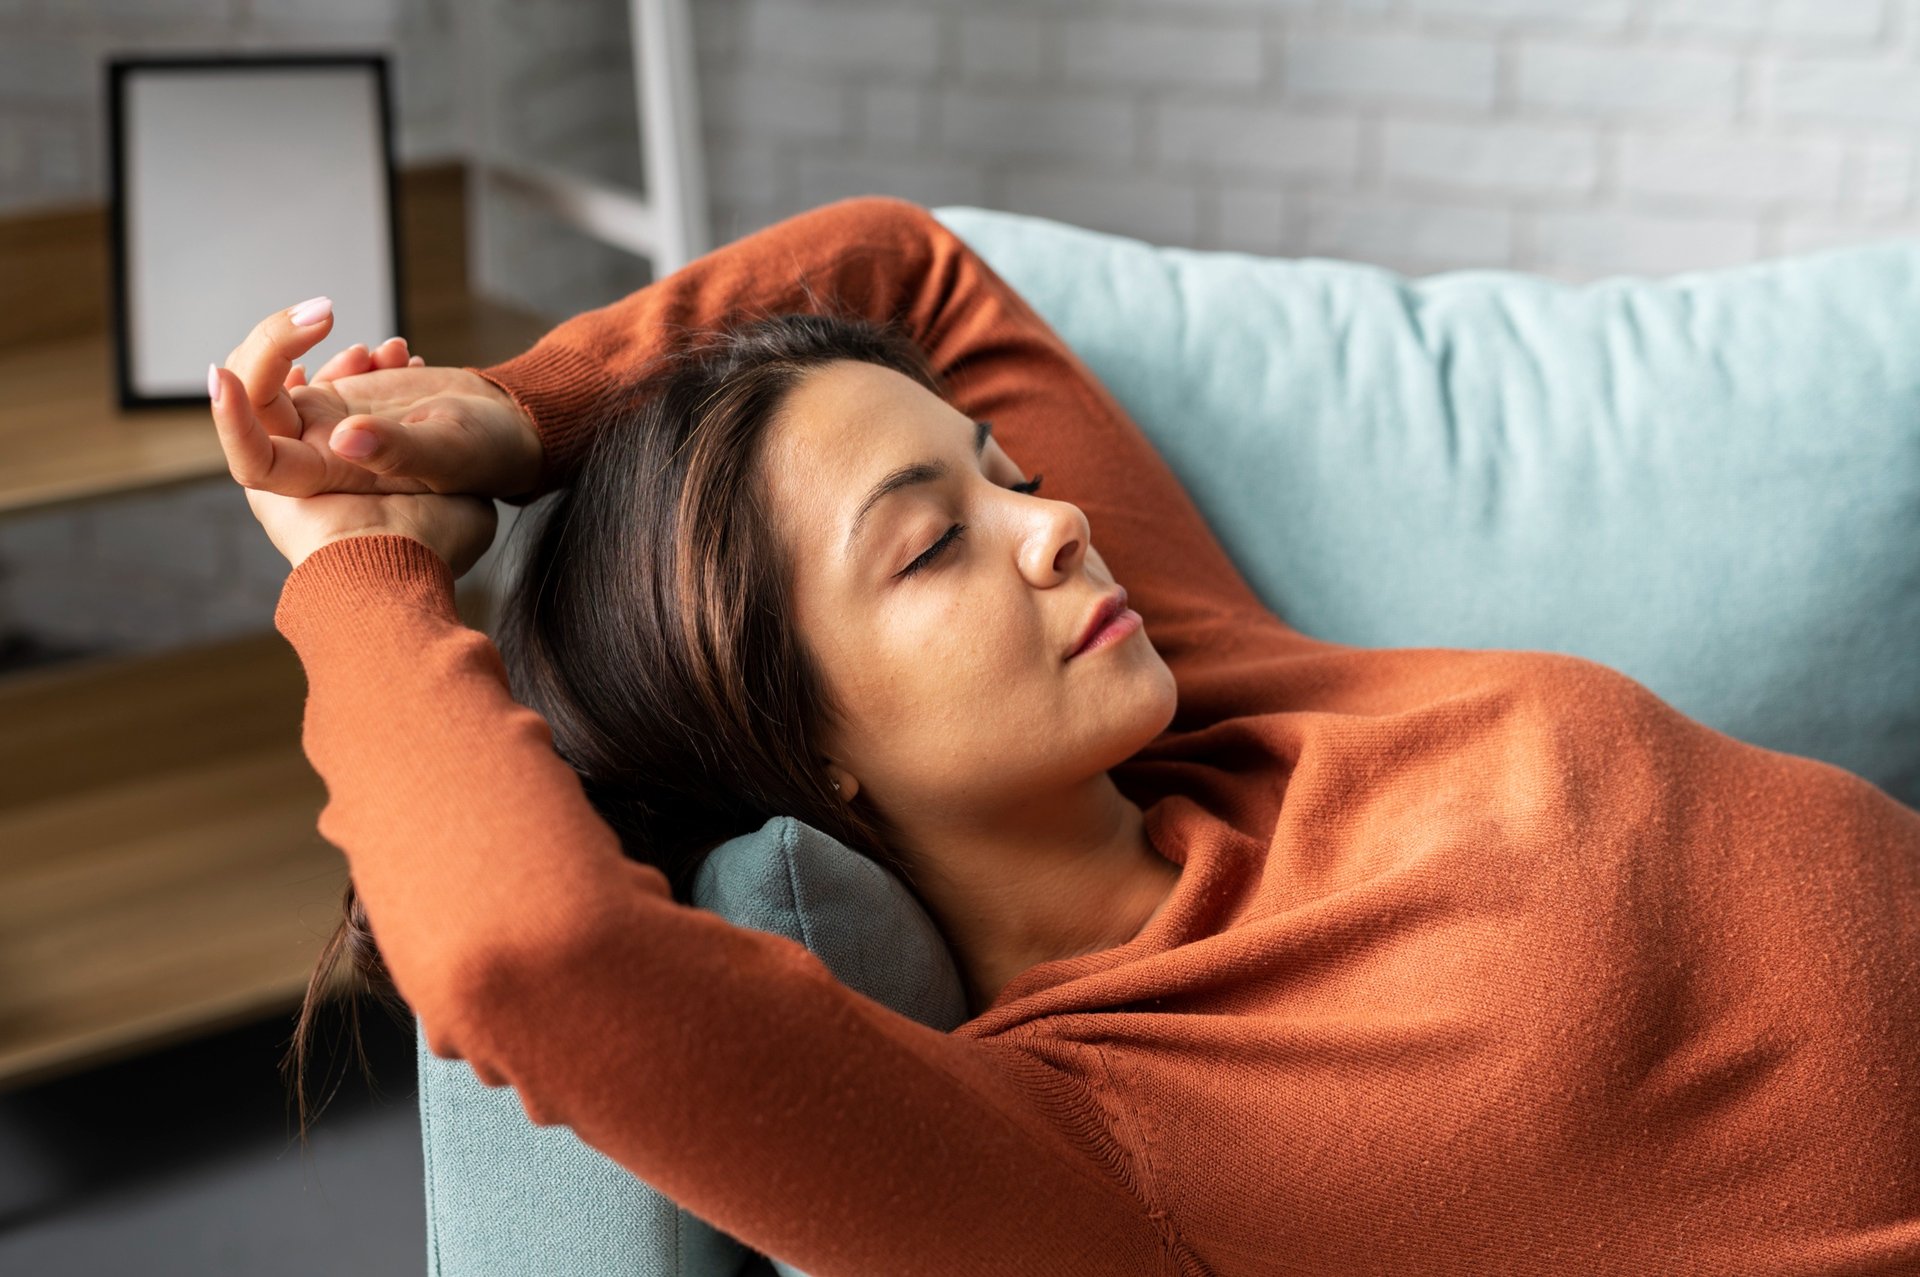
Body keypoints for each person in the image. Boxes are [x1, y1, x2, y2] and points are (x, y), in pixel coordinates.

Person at [210, 195, 1920, 1276]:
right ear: (809, 744)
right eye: (933, 540)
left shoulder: (1213, 685)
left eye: (1004, 474)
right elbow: (530, 955)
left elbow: (908, 267)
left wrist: (521, 413)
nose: (1055, 524)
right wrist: (362, 568)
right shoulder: (1079, 1153)